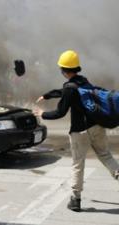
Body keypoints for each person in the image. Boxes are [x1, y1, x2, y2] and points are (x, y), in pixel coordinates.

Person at [34, 50, 119, 212]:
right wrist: (47, 95)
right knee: (106, 155)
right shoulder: (84, 83)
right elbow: (66, 91)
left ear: (63, 70)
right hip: (97, 127)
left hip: (80, 132)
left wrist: (42, 114)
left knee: (78, 164)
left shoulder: (70, 88)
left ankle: (75, 199)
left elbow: (60, 112)